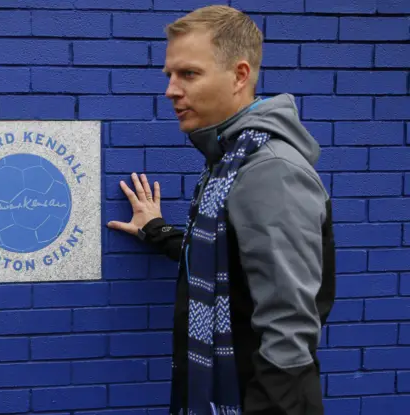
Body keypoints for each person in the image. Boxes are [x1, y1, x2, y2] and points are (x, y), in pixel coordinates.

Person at [106, 5, 336, 415]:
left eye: (189, 74)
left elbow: (290, 327)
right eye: (170, 76)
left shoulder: (269, 170)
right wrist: (157, 230)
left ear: (240, 75)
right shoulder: (229, 160)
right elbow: (228, 258)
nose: (171, 91)